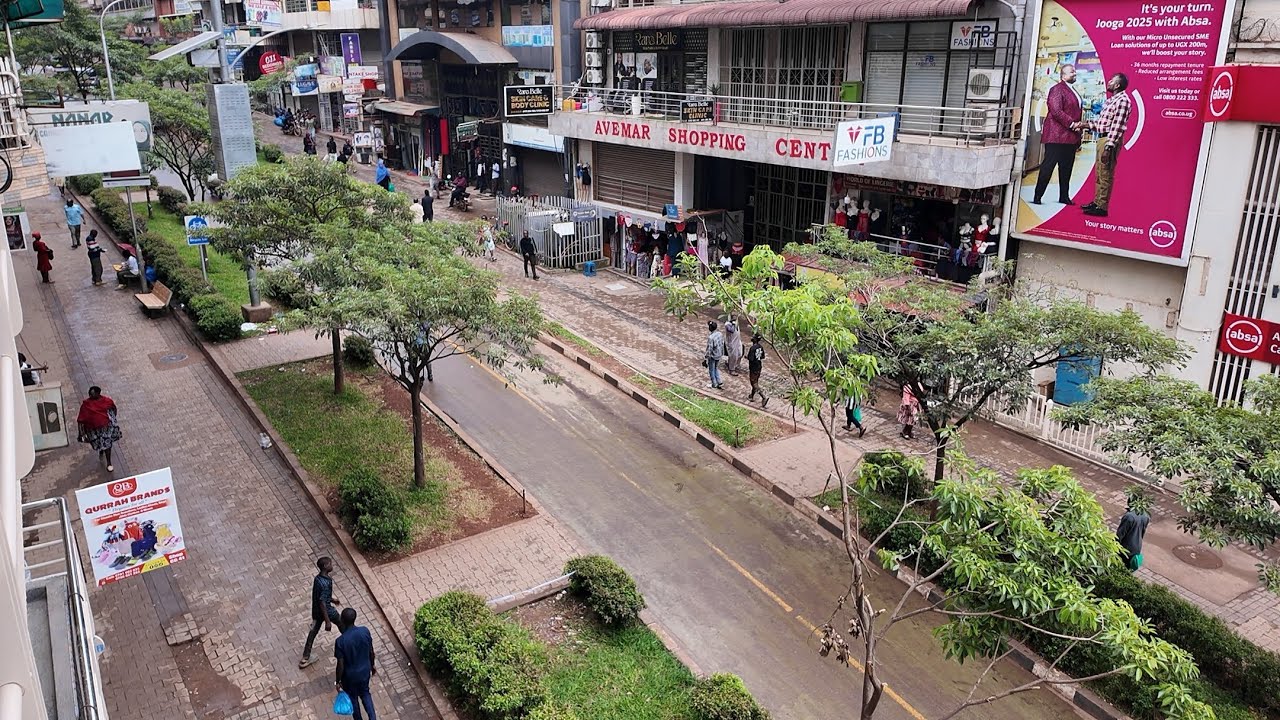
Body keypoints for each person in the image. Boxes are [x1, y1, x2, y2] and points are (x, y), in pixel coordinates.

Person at [1080, 73, 1132, 218]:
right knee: (1099, 172)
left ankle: (1101, 207)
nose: (1108, 82)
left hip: (1110, 140)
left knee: (1106, 173)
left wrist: (1109, 147)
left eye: (1112, 81)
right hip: (1102, 138)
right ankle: (1097, 202)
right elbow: (1103, 124)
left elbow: (1117, 126)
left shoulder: (1122, 101)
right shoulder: (1112, 101)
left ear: (1117, 85)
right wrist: (1086, 124)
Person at [1032, 64, 1083, 206]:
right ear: (1063, 75)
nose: (1075, 73)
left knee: (1066, 169)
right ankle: (1038, 196)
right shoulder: (1056, 89)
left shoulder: (1073, 91)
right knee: (1048, 167)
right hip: (1056, 136)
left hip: (1070, 137)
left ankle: (1064, 196)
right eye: (1072, 71)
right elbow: (1055, 110)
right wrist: (1072, 124)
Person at [334, 607, 377, 720]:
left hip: (350, 677)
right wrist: (372, 666)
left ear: (342, 620)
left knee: (353, 698)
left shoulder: (340, 641)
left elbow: (340, 665)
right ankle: (373, 717)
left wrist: (338, 680)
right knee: (365, 693)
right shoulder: (365, 631)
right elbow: (371, 652)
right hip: (364, 672)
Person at [301, 556, 342, 668]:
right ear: (325, 566)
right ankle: (352, 643)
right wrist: (328, 621)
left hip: (316, 613)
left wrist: (333, 599)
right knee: (342, 624)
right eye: (330, 564)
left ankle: (305, 657)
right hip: (327, 612)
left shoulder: (318, 579)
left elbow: (321, 596)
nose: (332, 566)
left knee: (312, 632)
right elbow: (322, 602)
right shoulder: (326, 582)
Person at [76, 386, 122, 471]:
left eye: (93, 394)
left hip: (106, 427)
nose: (91, 396)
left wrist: (112, 420)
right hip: (93, 430)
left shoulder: (106, 401)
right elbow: (81, 420)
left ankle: (109, 463)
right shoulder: (86, 405)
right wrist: (81, 433)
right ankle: (101, 450)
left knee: (107, 445)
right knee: (99, 444)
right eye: (90, 394)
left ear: (98, 393)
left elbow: (113, 409)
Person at [1116, 505, 1151, 572]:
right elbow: (1142, 532)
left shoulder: (1128, 517)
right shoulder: (1145, 515)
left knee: (1121, 568)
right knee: (1130, 568)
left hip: (1125, 549)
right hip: (1137, 547)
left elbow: (1120, 535)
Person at [746, 334, 767, 408]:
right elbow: (763, 356)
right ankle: (751, 396)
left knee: (753, 383)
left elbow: (750, 358)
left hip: (753, 367)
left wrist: (746, 357)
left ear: (755, 340)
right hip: (759, 366)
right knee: (755, 381)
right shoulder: (760, 347)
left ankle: (763, 396)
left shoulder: (752, 348)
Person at [704, 320, 725, 390]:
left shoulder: (711, 337)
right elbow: (722, 344)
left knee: (711, 370)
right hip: (719, 354)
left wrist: (706, 358)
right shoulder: (720, 334)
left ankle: (714, 383)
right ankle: (719, 381)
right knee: (716, 368)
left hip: (713, 356)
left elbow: (709, 349)